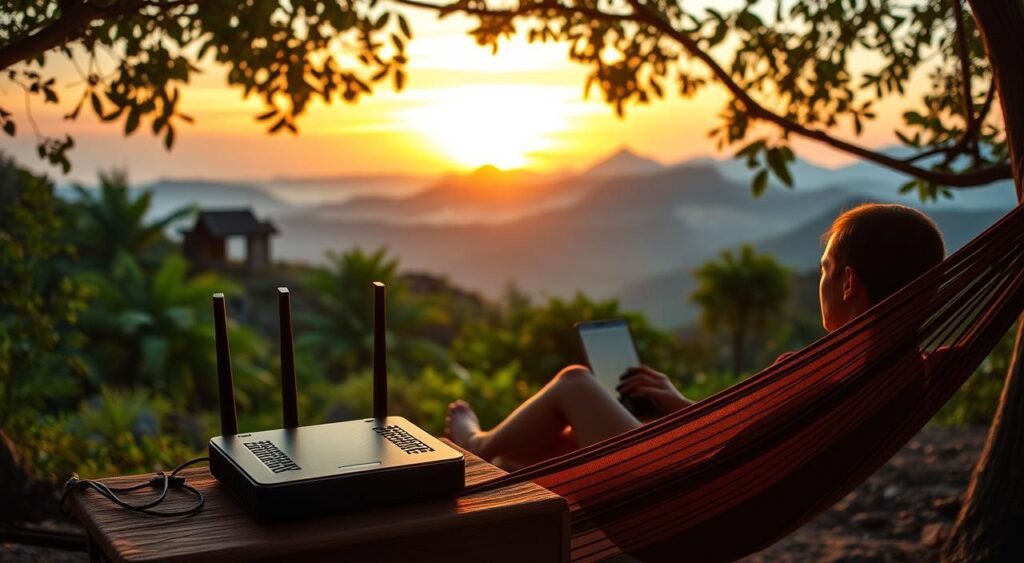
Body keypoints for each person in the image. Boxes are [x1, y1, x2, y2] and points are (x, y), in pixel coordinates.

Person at [445, 203, 947, 470]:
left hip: (670, 479)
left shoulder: (818, 374)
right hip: (717, 494)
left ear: (848, 281)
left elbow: (723, 443)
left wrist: (673, 409)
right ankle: (502, 456)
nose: (819, 281)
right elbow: (741, 440)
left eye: (824, 268)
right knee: (555, 443)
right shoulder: (903, 373)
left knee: (577, 382)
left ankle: (477, 443)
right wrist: (674, 400)